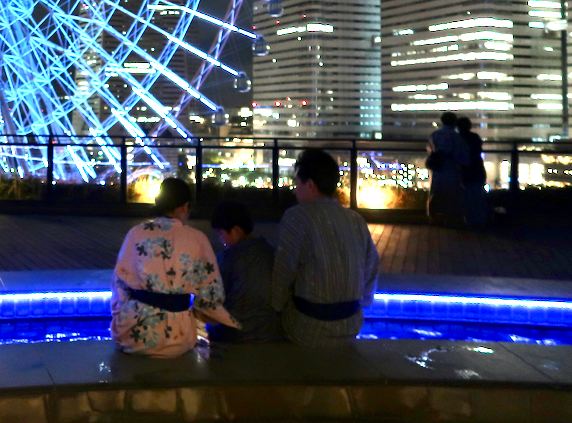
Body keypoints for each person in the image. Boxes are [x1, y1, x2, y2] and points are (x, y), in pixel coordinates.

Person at [111, 178, 238, 357]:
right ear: (185, 207)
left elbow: (120, 283)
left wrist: (121, 314)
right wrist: (199, 321)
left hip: (134, 334)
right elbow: (211, 295)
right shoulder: (197, 239)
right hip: (177, 337)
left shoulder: (136, 233)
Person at [271, 148, 380, 347]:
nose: (295, 190)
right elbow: (371, 266)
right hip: (351, 324)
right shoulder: (356, 219)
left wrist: (276, 307)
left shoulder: (297, 217)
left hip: (307, 324)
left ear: (310, 185)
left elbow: (282, 272)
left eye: (297, 183)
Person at [207, 200, 284, 343]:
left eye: (220, 234)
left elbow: (212, 298)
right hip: (270, 331)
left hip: (234, 333)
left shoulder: (227, 258)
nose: (220, 240)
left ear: (236, 230)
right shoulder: (270, 251)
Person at [427, 111, 470, 223]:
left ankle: (434, 216)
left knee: (436, 191)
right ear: (454, 122)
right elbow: (462, 156)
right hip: (451, 167)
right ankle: (450, 217)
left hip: (437, 166)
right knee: (452, 192)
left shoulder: (435, 134)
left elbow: (430, 149)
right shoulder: (456, 136)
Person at [457, 117, 488, 227]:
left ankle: (467, 220)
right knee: (477, 196)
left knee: (465, 197)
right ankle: (478, 220)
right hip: (477, 170)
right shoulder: (475, 137)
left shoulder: (457, 139)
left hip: (464, 171)